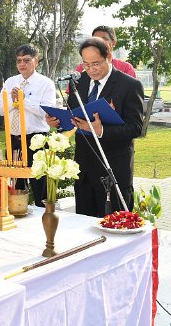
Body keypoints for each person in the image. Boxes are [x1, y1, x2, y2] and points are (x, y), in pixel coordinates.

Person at [46, 37, 144, 217]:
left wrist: (101, 130)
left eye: (96, 64)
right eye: (86, 64)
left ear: (109, 57)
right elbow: (73, 115)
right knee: (85, 226)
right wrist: (58, 123)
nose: (91, 70)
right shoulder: (78, 82)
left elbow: (136, 127)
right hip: (84, 170)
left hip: (113, 169)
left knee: (115, 225)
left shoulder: (129, 85)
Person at [0, 44, 56, 207]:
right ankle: (18, 213)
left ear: (36, 61)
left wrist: (23, 101)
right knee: (16, 185)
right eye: (19, 61)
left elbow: (46, 112)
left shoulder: (45, 83)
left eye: (27, 60)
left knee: (39, 184)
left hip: (37, 140)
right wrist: (13, 101)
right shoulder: (10, 82)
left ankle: (42, 217)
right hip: (13, 139)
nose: (22, 64)